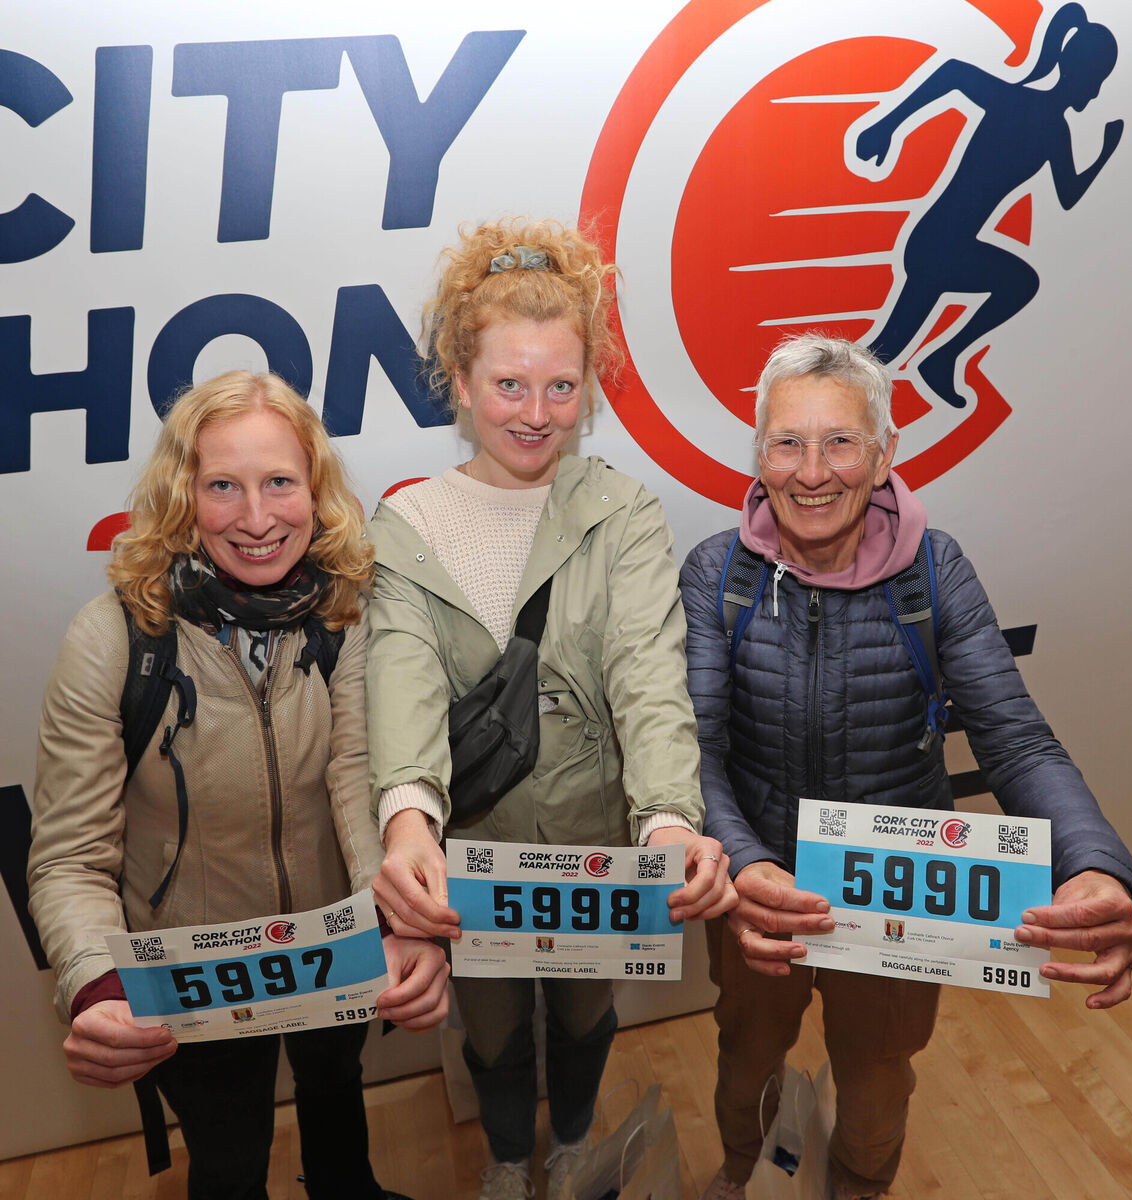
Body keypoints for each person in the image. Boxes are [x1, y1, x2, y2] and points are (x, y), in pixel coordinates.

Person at [679, 334, 1132, 1200]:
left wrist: (1094, 863)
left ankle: (860, 1186)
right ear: (758, 454)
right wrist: (745, 866)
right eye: (787, 442)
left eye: (841, 441)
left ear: (885, 451)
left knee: (876, 1080)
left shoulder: (936, 571)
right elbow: (695, 749)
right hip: (757, 886)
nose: (812, 471)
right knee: (744, 1059)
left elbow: (1017, 738)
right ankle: (743, 1170)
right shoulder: (719, 573)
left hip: (894, 891)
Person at [366, 218, 736, 1200]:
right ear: (458, 376)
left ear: (590, 385)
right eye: (509, 385)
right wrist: (408, 825)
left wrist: (666, 817)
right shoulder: (408, 526)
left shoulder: (623, 513)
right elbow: (398, 675)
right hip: (472, 849)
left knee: (582, 1010)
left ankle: (572, 1142)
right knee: (486, 1025)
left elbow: (646, 667)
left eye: (561, 386)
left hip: (595, 838)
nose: (536, 413)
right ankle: (504, 1158)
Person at [27, 371, 450, 1200]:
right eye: (224, 486)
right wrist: (98, 984)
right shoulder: (115, 639)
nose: (257, 520)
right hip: (193, 967)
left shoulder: (347, 613)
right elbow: (71, 857)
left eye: (279, 483)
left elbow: (359, 778)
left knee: (338, 1107)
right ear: (182, 493)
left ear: (316, 489)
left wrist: (398, 916)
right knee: (225, 1162)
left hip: (336, 941)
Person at [853, 2, 1122, 407]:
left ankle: (942, 358)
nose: (1096, 91)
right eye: (1097, 79)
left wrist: (1103, 155)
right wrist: (886, 125)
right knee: (880, 355)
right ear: (1081, 74)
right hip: (939, 245)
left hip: (947, 244)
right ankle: (938, 360)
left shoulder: (1052, 127)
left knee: (882, 352)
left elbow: (1067, 195)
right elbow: (953, 73)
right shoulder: (1028, 109)